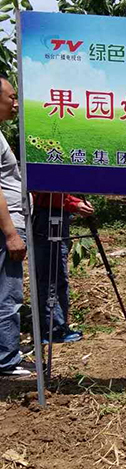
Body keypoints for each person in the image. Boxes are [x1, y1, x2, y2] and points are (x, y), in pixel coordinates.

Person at [32, 192, 94, 343]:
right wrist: (73, 204)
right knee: (51, 273)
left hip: (55, 213)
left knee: (57, 273)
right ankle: (53, 330)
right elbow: (47, 190)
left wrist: (73, 202)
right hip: (48, 215)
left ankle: (58, 325)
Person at [0, 75, 30, 377]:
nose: (16, 103)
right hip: (5, 228)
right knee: (8, 295)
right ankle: (7, 360)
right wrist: (11, 233)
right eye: (11, 97)